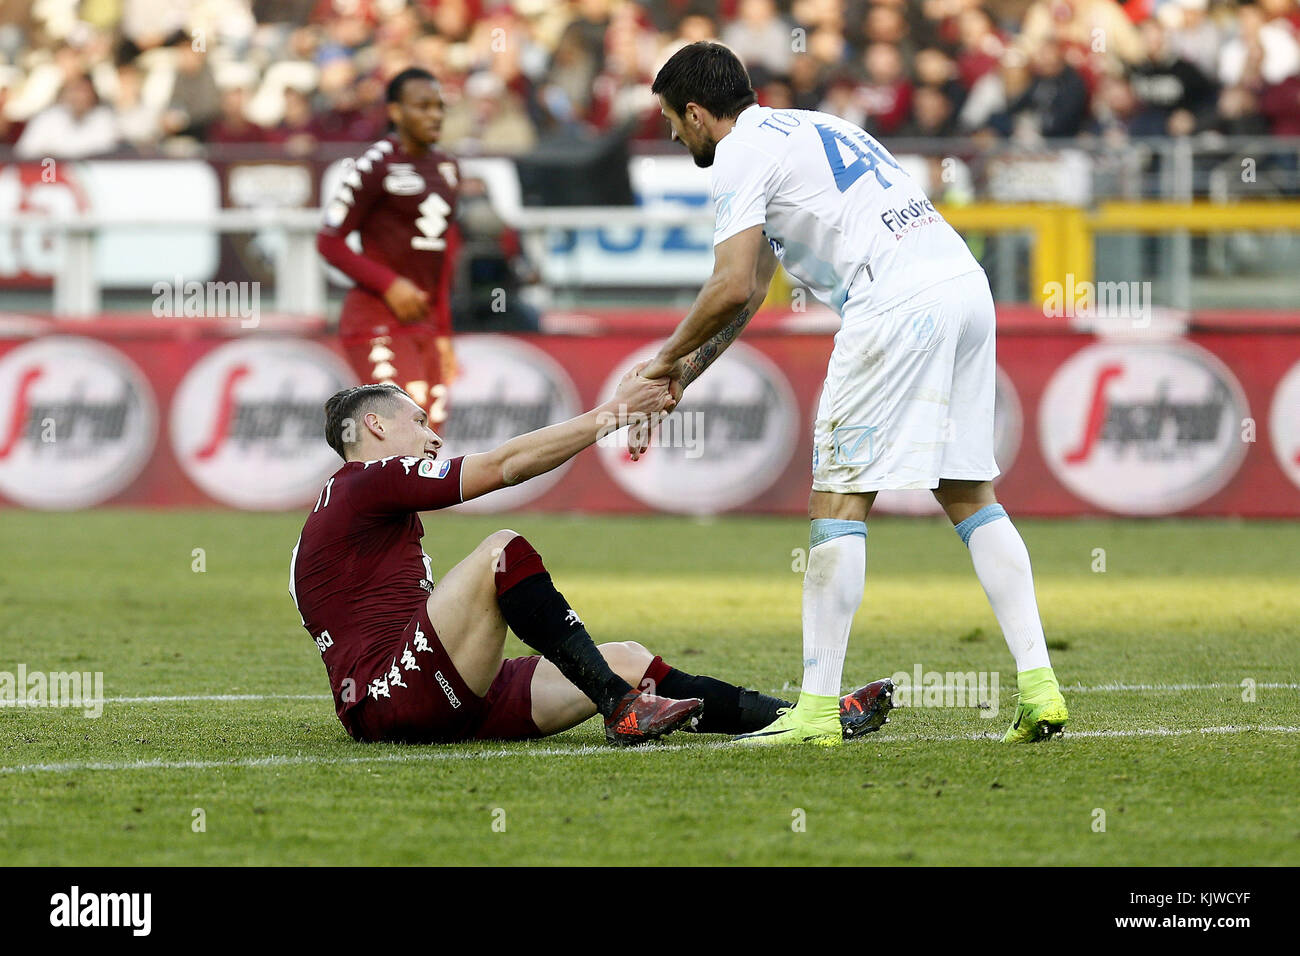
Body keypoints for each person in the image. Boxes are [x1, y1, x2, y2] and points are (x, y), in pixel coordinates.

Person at [636, 41, 1068, 746]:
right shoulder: (816, 127)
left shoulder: (740, 156)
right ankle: (1040, 687)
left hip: (893, 302)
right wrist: (687, 370)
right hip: (963, 288)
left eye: (671, 121)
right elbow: (756, 291)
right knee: (968, 492)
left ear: (695, 110)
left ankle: (813, 711)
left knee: (838, 500)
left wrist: (660, 360)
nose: (672, 135)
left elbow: (730, 283)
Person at [289, 373, 897, 747]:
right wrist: (612, 415)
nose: (433, 437)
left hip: (431, 696)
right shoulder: (366, 481)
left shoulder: (340, 509)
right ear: (372, 425)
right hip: (397, 698)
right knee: (502, 550)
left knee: (629, 658)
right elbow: (504, 467)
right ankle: (620, 708)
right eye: (419, 422)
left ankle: (803, 718)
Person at [317, 67, 460, 427]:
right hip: (375, 319)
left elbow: (442, 257)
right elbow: (329, 241)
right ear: (395, 111)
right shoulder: (374, 165)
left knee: (430, 436)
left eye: (439, 107)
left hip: (423, 324)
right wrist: (390, 284)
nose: (434, 115)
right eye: (423, 106)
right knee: (400, 431)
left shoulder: (448, 169)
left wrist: (443, 333)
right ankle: (346, 486)